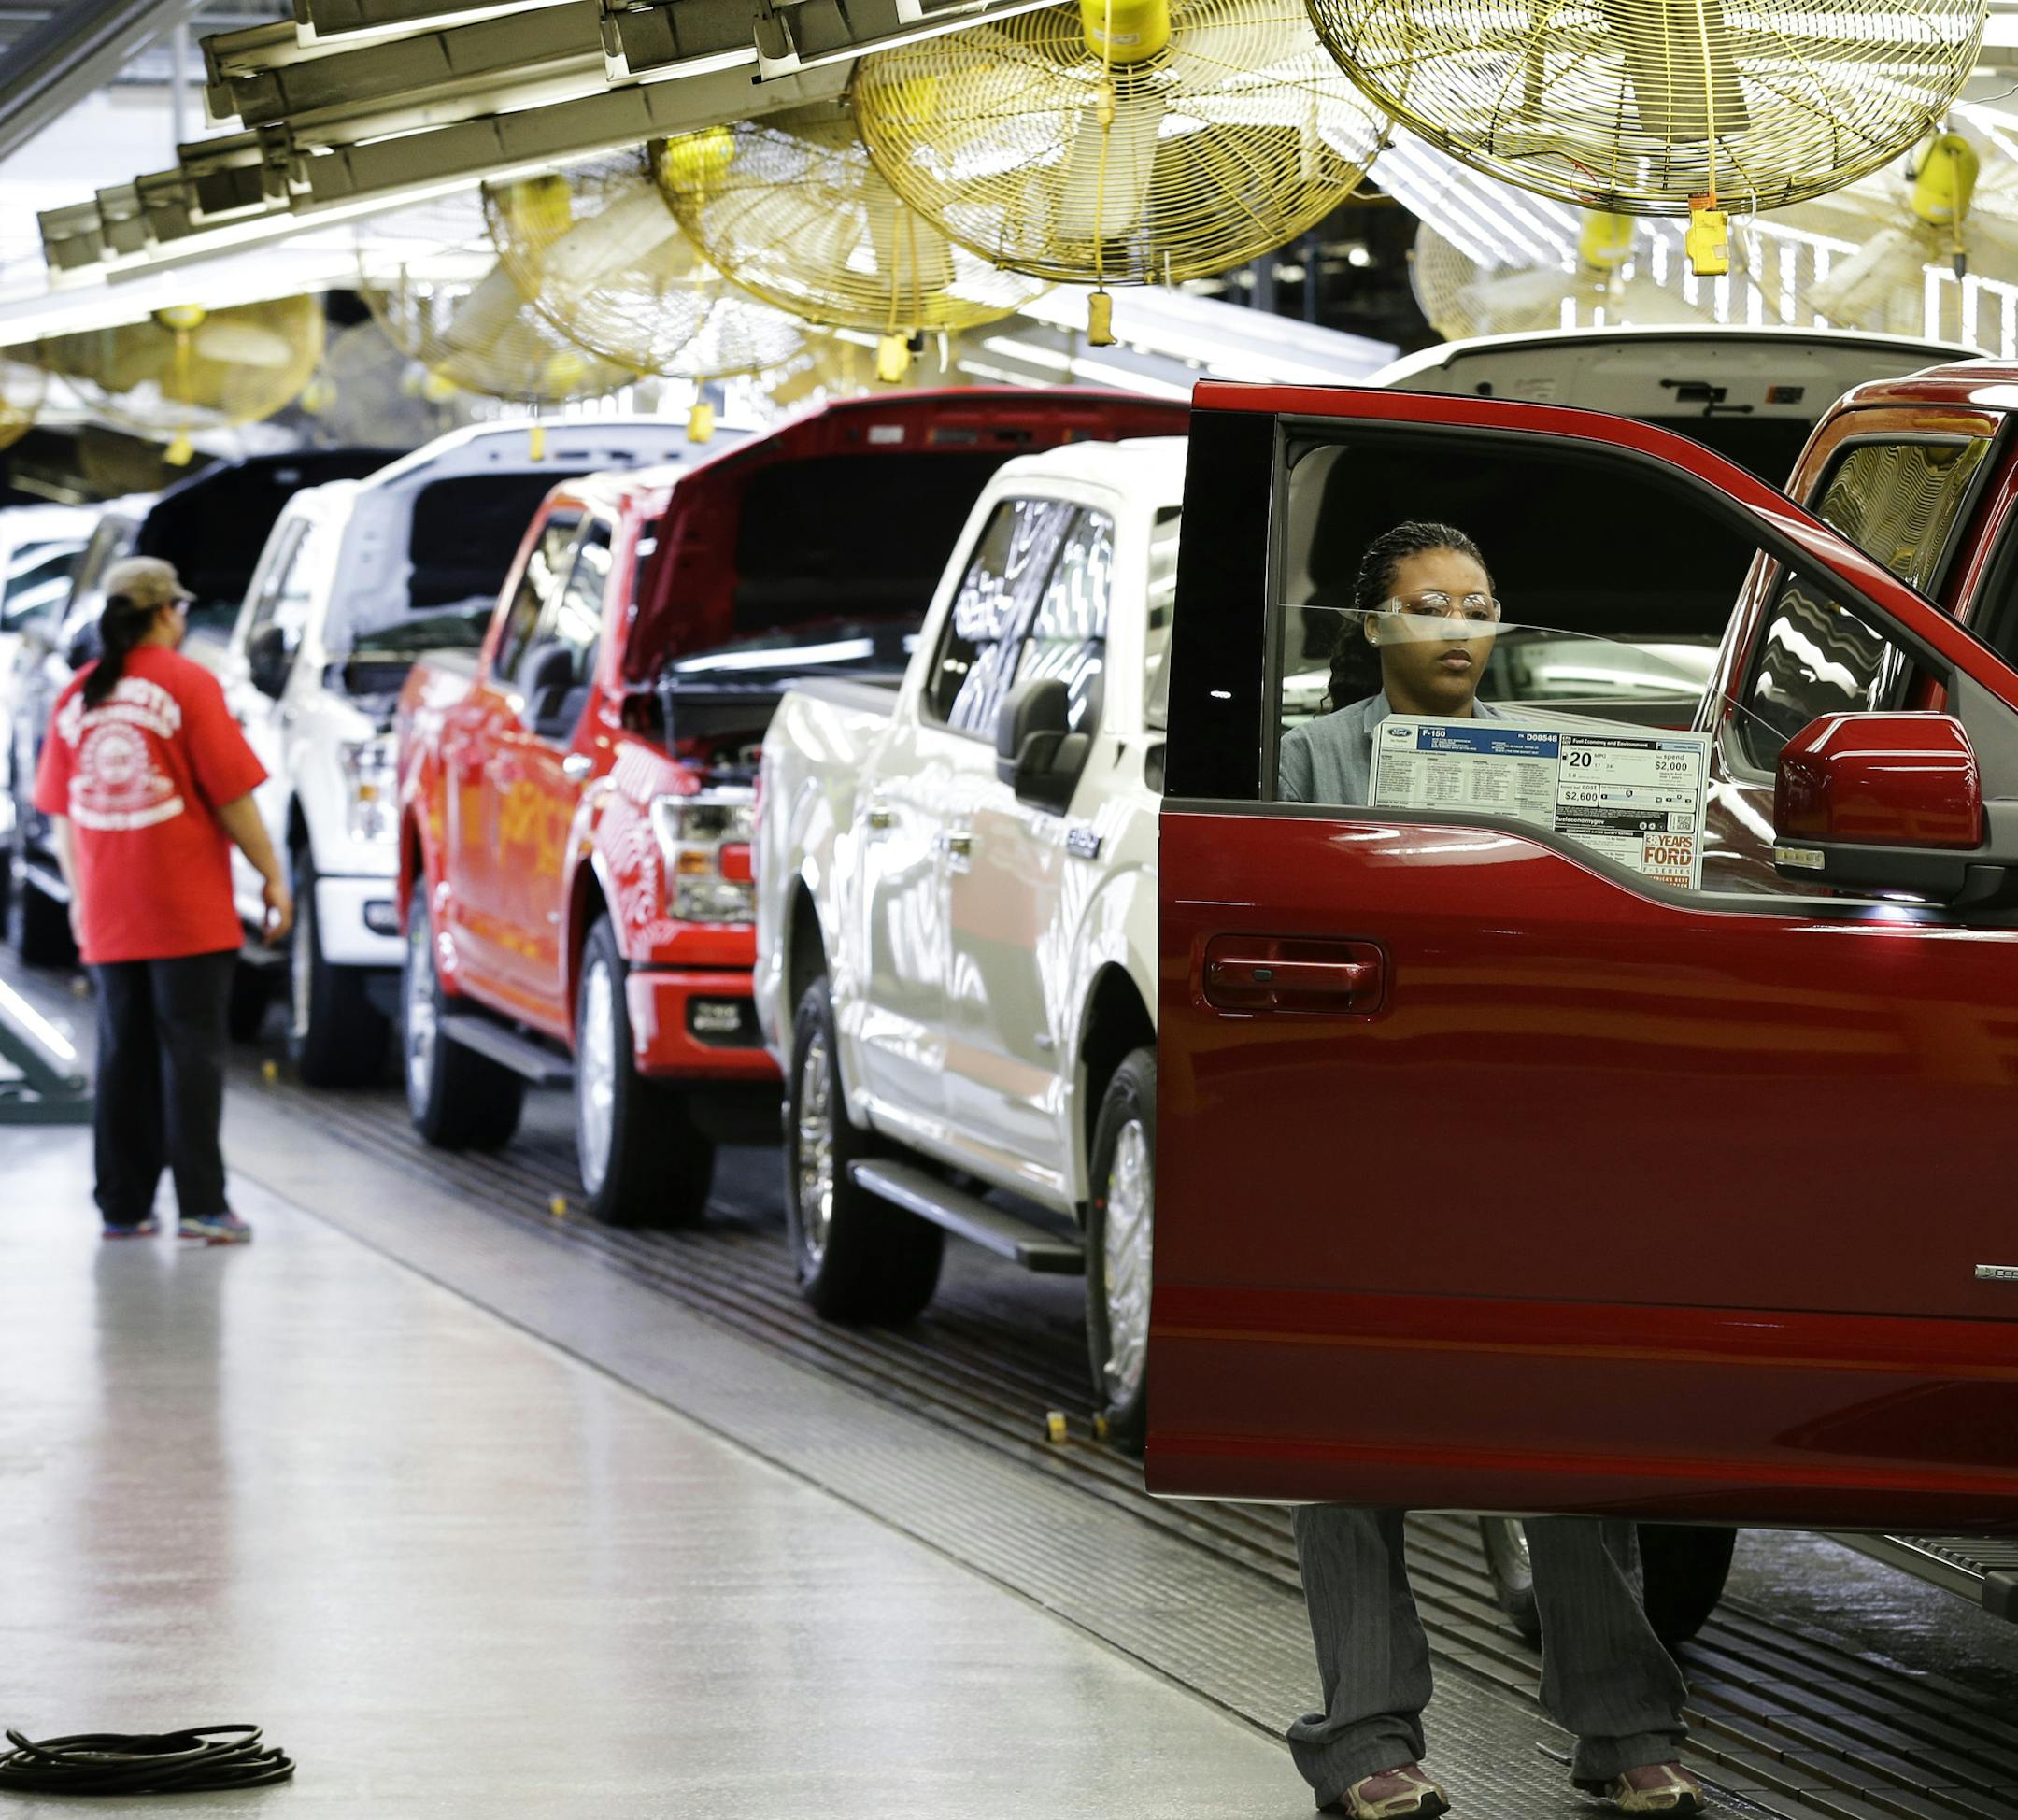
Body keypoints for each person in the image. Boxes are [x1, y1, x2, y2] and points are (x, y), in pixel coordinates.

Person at [1277, 522, 1706, 1819]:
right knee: (1350, 1441)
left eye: (1477, 606)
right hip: (1373, 1132)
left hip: (1531, 1134)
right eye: (1426, 608)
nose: (1458, 629)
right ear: (1371, 628)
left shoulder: (1562, 760)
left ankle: (1623, 1728)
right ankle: (1365, 1743)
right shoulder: (1310, 760)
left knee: (1567, 1432)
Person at [32, 556, 292, 1244]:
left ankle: (123, 1206)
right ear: (165, 614)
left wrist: (82, 900)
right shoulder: (188, 685)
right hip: (187, 910)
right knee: (193, 1057)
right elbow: (232, 796)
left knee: (123, 1056)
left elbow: (63, 815)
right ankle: (204, 1205)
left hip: (110, 911)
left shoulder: (77, 697)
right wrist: (271, 875)